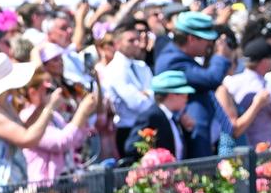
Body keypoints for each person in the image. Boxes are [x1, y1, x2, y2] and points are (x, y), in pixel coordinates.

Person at [0, 54, 63, 191]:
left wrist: (42, 107)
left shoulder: (4, 105)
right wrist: (49, 109)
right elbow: (27, 139)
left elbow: (24, 129)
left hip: (9, 177)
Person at [153, 12, 234, 158]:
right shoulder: (172, 60)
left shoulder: (181, 57)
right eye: (206, 40)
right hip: (195, 141)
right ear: (191, 38)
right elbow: (211, 79)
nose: (210, 44)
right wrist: (220, 56)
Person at [19, 70, 99, 183]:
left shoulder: (55, 115)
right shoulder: (27, 116)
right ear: (33, 93)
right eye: (48, 90)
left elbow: (76, 141)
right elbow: (61, 142)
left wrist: (85, 115)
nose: (55, 93)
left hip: (66, 185)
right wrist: (82, 112)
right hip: (45, 188)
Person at [98, 26, 154, 154]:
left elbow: (155, 94)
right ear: (117, 44)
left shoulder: (141, 66)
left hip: (148, 126)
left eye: (137, 39)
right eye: (131, 40)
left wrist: (147, 94)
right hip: (128, 130)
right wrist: (147, 95)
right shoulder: (114, 69)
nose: (137, 44)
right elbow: (136, 103)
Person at [121, 70, 195, 164]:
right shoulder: (152, 116)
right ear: (172, 95)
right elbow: (131, 147)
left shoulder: (174, 118)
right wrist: (154, 158)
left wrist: (187, 130)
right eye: (184, 94)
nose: (187, 98)